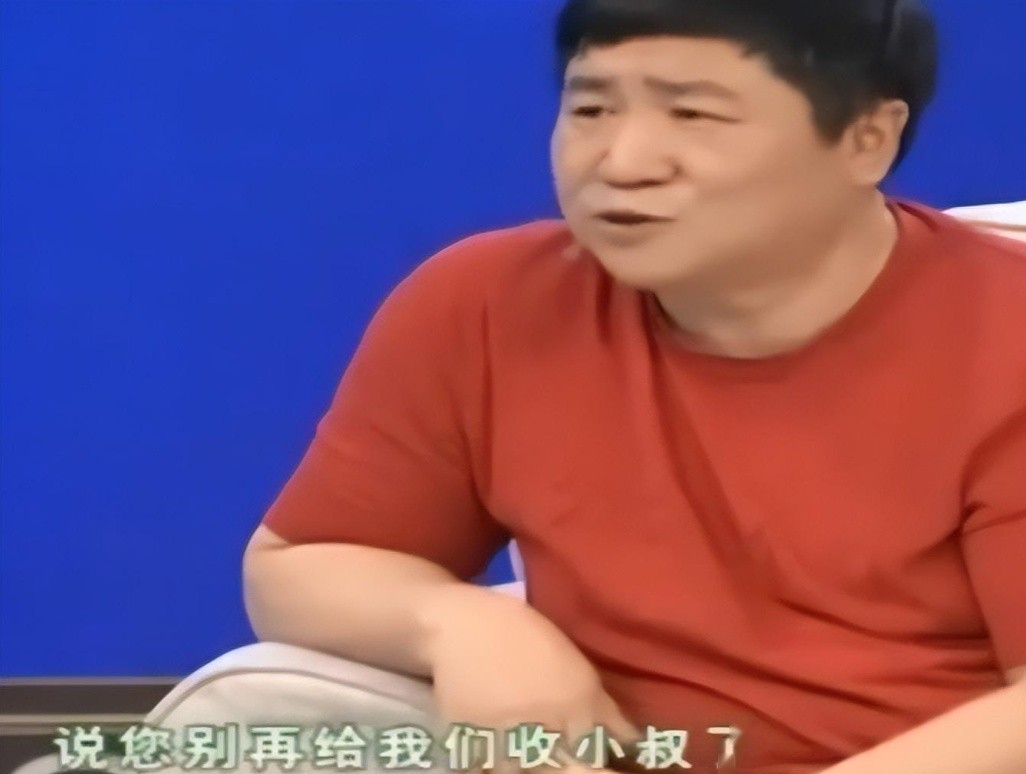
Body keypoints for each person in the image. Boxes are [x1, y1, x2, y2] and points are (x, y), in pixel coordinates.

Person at [242, 0, 1026, 772]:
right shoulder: (489, 302)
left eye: (693, 116)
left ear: (866, 138)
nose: (621, 163)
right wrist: (460, 624)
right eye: (591, 110)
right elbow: (301, 562)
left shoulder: (1002, 336)